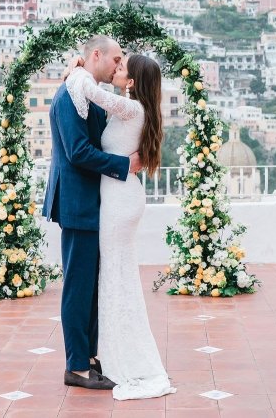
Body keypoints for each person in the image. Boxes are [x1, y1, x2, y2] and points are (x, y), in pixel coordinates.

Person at [64, 52, 177, 400]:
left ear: (131, 82)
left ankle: (118, 355)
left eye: (122, 66)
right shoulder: (133, 109)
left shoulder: (131, 108)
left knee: (115, 276)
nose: (116, 68)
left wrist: (76, 68)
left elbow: (89, 90)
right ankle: (113, 351)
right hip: (118, 196)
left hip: (119, 200)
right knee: (115, 276)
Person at [42, 35, 141, 391]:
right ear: (95, 55)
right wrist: (124, 166)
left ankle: (89, 357)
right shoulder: (71, 93)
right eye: (115, 59)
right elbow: (78, 152)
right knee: (78, 286)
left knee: (92, 286)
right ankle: (76, 367)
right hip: (77, 203)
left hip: (93, 203)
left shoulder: (87, 90)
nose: (118, 66)